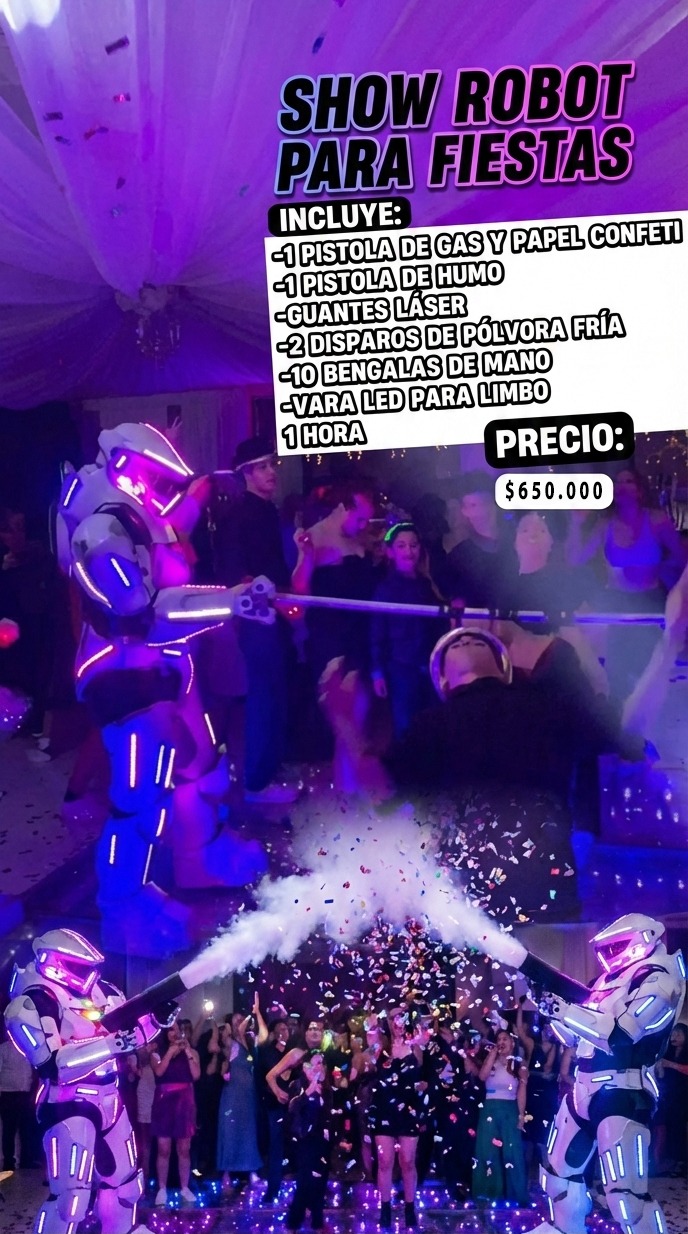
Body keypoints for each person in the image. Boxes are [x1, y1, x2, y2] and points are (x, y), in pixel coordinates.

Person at [319, 569, 688, 922]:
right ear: (441, 678)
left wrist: (670, 642)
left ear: (504, 665)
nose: (466, 638)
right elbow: (379, 792)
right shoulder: (428, 729)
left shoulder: (545, 710)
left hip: (548, 902)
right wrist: (343, 722)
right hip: (465, 912)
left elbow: (626, 728)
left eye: (477, 639)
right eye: (456, 641)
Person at [55, 422, 270, 955]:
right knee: (141, 796)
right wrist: (231, 602)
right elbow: (145, 614)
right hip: (124, 673)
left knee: (201, 764)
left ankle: (201, 856)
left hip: (168, 664)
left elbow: (171, 540)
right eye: (157, 478)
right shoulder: (102, 534)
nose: (164, 490)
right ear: (126, 469)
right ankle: (124, 904)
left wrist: (230, 596)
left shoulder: (138, 512)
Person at [4, 928, 171, 1233]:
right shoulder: (34, 1002)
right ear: (51, 961)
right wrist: (112, 1044)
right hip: (68, 1104)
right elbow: (53, 1066)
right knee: (71, 1199)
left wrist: (154, 1021)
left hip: (110, 1098)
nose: (88, 975)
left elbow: (133, 1034)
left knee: (127, 1188)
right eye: (78, 966)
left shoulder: (105, 993)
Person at [531, 914, 686, 1234]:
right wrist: (552, 1011)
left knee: (626, 1199)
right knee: (557, 1179)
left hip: (623, 1090)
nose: (610, 954)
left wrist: (565, 1010)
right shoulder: (602, 984)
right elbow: (574, 1038)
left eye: (616, 946)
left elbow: (619, 1035)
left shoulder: (660, 978)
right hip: (582, 1087)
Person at [213, 437, 299, 804]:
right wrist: (268, 598)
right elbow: (236, 574)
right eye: (262, 467)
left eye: (271, 465)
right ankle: (256, 783)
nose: (271, 472)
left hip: (272, 614)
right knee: (263, 697)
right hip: (255, 618)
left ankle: (268, 770)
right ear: (246, 473)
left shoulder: (266, 512)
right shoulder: (240, 516)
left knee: (274, 694)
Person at [566, 467, 687, 697]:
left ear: (640, 490)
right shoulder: (605, 525)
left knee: (650, 668)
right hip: (617, 602)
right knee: (617, 670)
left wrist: (661, 569)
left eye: (628, 481)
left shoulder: (657, 520)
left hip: (651, 601)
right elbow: (575, 559)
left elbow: (681, 557)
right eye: (618, 482)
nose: (622, 486)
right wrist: (576, 523)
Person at [292, 479, 379, 791]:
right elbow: (299, 592)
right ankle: (369, 789)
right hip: (330, 636)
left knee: (358, 713)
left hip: (360, 633)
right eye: (360, 518)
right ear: (343, 507)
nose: (364, 525)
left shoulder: (360, 537)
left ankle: (350, 792)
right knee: (345, 714)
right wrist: (306, 556)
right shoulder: (314, 537)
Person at [370, 523, 447, 738]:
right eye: (401, 546)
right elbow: (377, 632)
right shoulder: (385, 589)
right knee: (406, 726)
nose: (408, 551)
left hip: (431, 665)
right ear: (391, 552)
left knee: (433, 723)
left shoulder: (427, 584)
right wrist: (377, 671)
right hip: (402, 667)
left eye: (413, 545)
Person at [368, 1007, 427, 1229]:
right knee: (384, 1161)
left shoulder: (415, 1045)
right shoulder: (381, 1045)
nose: (397, 1020)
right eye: (393, 1017)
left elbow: (423, 1069)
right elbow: (370, 1041)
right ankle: (385, 1209)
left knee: (408, 1161)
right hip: (384, 1108)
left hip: (408, 1109)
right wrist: (372, 1025)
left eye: (401, 1015)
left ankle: (410, 1208)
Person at [443, 472, 517, 611]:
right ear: (464, 511)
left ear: (494, 505)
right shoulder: (458, 557)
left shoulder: (518, 547)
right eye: (472, 506)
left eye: (483, 504)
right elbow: (455, 603)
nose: (479, 512)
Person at [216, 997, 267, 1191]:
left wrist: (257, 1013)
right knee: (230, 1131)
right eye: (236, 1020)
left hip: (248, 1096)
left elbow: (264, 1036)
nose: (240, 1022)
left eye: (242, 1019)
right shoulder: (230, 1043)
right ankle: (226, 1173)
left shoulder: (250, 1042)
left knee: (249, 1132)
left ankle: (251, 1170)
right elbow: (218, 1044)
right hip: (232, 1096)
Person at [473, 1030, 529, 1206]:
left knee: (512, 1151)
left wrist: (521, 1115)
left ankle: (515, 1193)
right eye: (499, 1039)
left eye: (505, 1039)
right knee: (487, 1150)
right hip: (490, 1108)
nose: (501, 1042)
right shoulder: (492, 1061)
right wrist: (492, 1054)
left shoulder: (519, 1064)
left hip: (509, 1109)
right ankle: (488, 1191)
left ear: (512, 1043)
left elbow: (522, 1090)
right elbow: (482, 1076)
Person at [150, 1020, 201, 1206]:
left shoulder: (192, 1052)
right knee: (163, 1147)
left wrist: (187, 1052)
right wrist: (170, 1052)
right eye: (171, 1030)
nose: (175, 1033)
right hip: (164, 1101)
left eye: (177, 1030)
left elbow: (196, 1075)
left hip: (184, 1102)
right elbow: (159, 1071)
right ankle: (162, 1188)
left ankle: (184, 1187)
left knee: (184, 1148)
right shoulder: (157, 1052)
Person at [285, 1051, 332, 1234]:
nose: (319, 1067)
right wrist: (308, 1094)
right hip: (303, 1139)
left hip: (322, 1140)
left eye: (321, 1063)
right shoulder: (297, 1086)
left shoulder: (327, 1089)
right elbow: (292, 1109)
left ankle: (317, 1221)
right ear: (305, 1067)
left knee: (319, 1181)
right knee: (305, 1181)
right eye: (315, 1063)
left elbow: (330, 1116)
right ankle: (293, 1223)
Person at [256, 1017, 292, 1202]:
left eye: (285, 1029)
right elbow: (265, 1077)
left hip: (294, 1106)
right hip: (274, 1105)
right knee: (276, 1146)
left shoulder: (294, 1051)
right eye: (280, 1029)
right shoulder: (267, 1052)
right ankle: (273, 1190)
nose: (283, 1032)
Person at [0, 1022, 38, 1171]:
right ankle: (8, 1162)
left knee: (25, 1129)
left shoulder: (30, 1050)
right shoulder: (4, 1049)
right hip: (8, 1094)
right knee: (9, 1130)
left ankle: (26, 1161)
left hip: (26, 1094)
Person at [653, 1022, 688, 1177]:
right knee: (665, 1127)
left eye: (678, 1034)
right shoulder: (668, 1052)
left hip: (684, 1096)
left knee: (678, 1128)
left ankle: (680, 1162)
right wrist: (660, 1068)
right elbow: (662, 1076)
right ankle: (666, 1162)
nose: (674, 1037)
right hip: (668, 1095)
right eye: (673, 1034)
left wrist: (670, 1065)